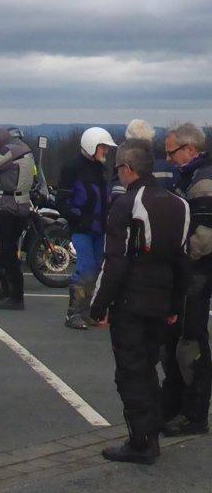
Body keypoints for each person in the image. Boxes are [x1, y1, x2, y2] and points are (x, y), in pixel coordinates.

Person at [90, 139, 190, 464]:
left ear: (128, 169)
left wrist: (98, 305)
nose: (118, 173)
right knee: (148, 367)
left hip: (131, 302)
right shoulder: (178, 204)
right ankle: (150, 432)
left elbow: (116, 262)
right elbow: (181, 262)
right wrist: (175, 306)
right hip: (161, 302)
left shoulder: (127, 204)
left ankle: (142, 442)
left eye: (119, 168)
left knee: (131, 372)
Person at [160, 123, 212, 436]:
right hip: (189, 271)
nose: (168, 158)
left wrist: (177, 259)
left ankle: (194, 414)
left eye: (172, 152)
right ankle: (174, 405)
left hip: (197, 271)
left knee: (191, 340)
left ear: (190, 149)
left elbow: (204, 237)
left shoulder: (203, 179)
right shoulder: (189, 176)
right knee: (176, 337)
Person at [57, 127, 117, 329]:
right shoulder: (72, 167)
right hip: (82, 228)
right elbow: (62, 200)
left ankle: (86, 312)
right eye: (103, 147)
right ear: (92, 145)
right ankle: (73, 313)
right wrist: (78, 217)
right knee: (86, 268)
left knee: (98, 267)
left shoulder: (100, 168)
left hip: (100, 228)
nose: (106, 151)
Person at [0, 126, 36, 310]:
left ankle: (15, 296)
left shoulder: (11, 150)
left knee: (7, 251)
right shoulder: (22, 149)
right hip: (16, 205)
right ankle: (5, 293)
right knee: (5, 251)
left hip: (10, 206)